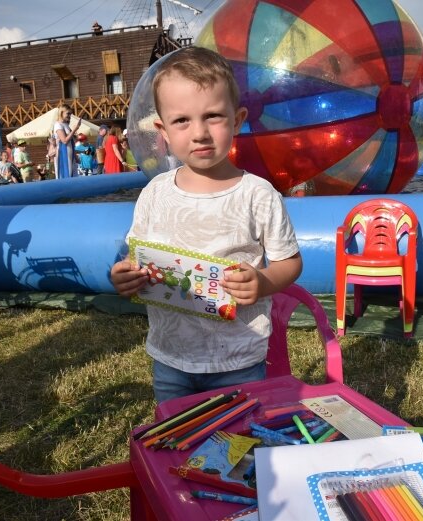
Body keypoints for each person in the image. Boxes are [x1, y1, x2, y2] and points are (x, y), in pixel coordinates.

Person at [110, 46, 302, 402]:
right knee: (176, 445)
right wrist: (124, 275)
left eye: (213, 116)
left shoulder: (258, 194)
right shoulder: (155, 193)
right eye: (182, 120)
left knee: (238, 445)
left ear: (237, 118)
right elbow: (134, 255)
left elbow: (290, 262)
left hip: (238, 358)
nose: (199, 133)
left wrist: (262, 281)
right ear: (162, 130)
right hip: (171, 358)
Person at [54, 104, 81, 179]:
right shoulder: (58, 125)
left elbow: (71, 141)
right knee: (66, 174)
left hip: (70, 153)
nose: (69, 116)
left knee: (73, 175)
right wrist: (75, 129)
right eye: (68, 113)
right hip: (64, 153)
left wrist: (75, 156)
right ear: (61, 112)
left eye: (70, 114)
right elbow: (64, 141)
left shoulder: (65, 124)